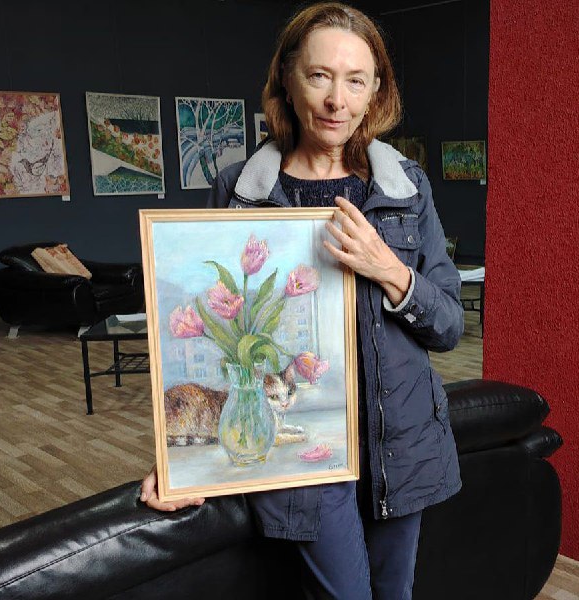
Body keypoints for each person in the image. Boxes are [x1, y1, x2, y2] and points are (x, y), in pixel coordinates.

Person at [140, 3, 464, 598]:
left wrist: (389, 269)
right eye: (319, 76)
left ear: (375, 92)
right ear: (287, 80)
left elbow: (448, 326)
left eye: (356, 80)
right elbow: (219, 332)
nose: (337, 100)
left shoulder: (406, 185)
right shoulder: (241, 190)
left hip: (402, 442)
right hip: (304, 446)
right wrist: (178, 457)